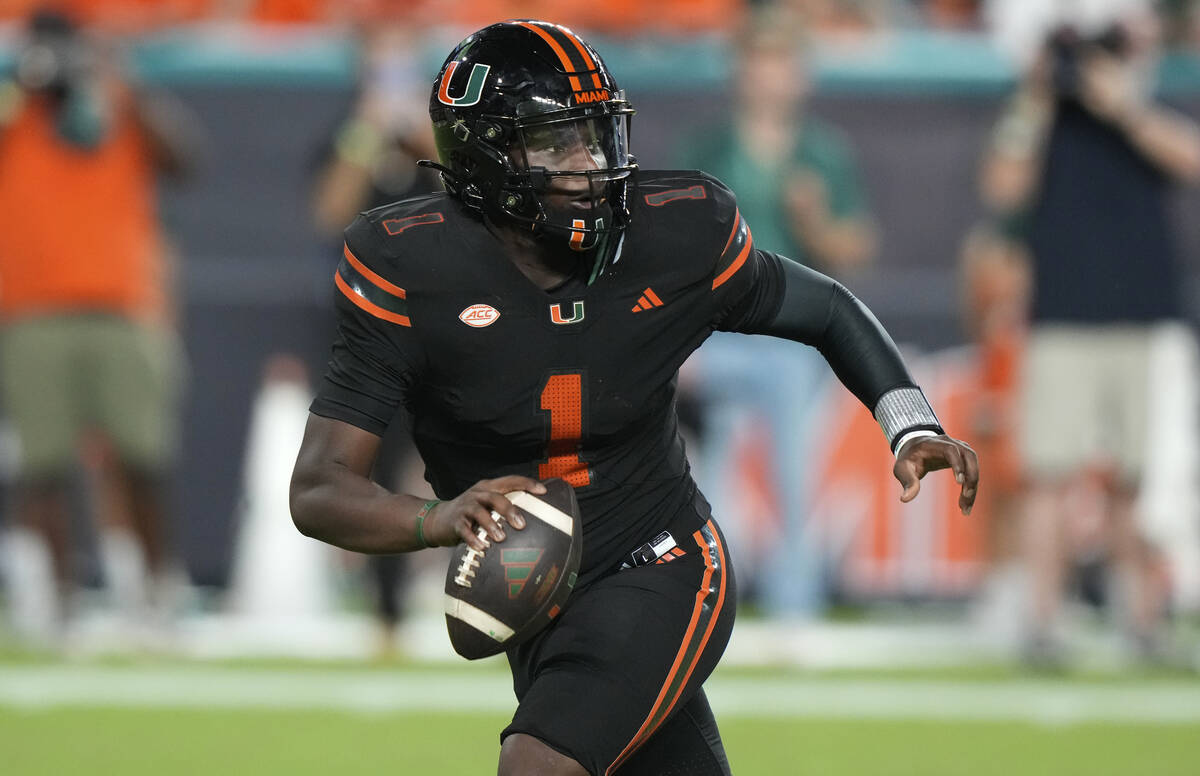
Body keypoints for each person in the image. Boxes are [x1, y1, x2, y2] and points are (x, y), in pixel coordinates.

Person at [290, 20, 977, 775]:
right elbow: (320, 488)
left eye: (595, 134)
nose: (589, 162)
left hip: (665, 560)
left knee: (537, 765)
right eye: (557, 141)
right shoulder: (408, 265)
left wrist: (908, 423)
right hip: (543, 594)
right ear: (487, 155)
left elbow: (826, 307)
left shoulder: (670, 230)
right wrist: (436, 519)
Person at [980, 6, 1200, 663]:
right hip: (1064, 315)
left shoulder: (1147, 101)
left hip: (1145, 315)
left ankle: (1143, 623)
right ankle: (1043, 623)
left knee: (1139, 476)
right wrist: (1038, 96)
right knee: (1049, 473)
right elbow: (1002, 186)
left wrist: (1124, 105)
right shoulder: (1043, 114)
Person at [0, 8, 200, 641]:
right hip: (33, 310)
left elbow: (186, 161)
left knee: (143, 458)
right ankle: (59, 603)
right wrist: (22, 87)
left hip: (124, 305)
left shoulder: (117, 101)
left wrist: (120, 84)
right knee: (44, 465)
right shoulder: (15, 110)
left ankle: (159, 593)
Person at [676, 10, 876, 615]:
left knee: (792, 469)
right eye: (759, 64)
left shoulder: (823, 153)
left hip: (791, 338)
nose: (769, 79)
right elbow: (672, 248)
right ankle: (706, 599)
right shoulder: (709, 148)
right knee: (711, 473)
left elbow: (856, 249)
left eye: (780, 65)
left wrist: (815, 221)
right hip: (722, 333)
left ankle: (794, 604)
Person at [309, 15, 441, 656]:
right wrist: (365, 132)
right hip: (374, 329)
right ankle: (387, 612)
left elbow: (471, 200)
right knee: (377, 467)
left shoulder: (437, 137)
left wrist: (423, 138)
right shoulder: (346, 134)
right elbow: (330, 212)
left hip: (445, 323)